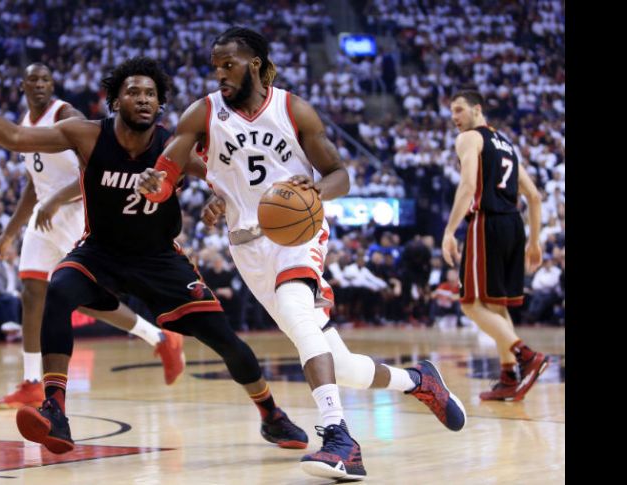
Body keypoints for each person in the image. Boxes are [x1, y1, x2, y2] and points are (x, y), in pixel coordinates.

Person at [138, 27, 465, 480]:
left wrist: (318, 188)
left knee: (296, 309)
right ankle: (418, 380)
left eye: (227, 64)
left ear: (253, 62)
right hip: (247, 246)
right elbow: (169, 165)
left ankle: (340, 440)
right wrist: (158, 183)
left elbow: (340, 175)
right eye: (215, 66)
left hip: (299, 230)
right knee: (339, 362)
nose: (220, 74)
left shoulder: (292, 109)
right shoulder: (204, 112)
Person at [0, 56, 307, 454]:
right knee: (57, 287)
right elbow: (16, 138)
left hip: (159, 260)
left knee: (226, 341)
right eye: (133, 92)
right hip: (100, 252)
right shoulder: (87, 135)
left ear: (160, 104)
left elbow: (222, 181)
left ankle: (271, 414)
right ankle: (54, 407)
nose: (143, 99)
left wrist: (217, 200)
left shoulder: (171, 146)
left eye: (150, 94)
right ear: (115, 101)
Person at [0, 63, 186, 410]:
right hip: (44, 214)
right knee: (32, 291)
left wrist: (56, 199)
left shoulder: (67, 114)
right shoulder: (24, 121)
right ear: (22, 85)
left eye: (45, 79)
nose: (39, 84)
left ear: (53, 84)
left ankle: (158, 337)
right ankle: (33, 382)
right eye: (32, 79)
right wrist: (9, 232)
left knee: (83, 296)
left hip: (79, 209)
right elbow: (34, 188)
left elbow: (96, 169)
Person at [442, 88, 548, 401]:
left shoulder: (470, 138)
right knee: (496, 305)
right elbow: (535, 196)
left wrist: (449, 231)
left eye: (459, 110)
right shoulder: (507, 145)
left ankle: (526, 356)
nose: (455, 118)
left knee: (471, 304)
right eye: (452, 113)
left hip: (487, 222)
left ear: (477, 109)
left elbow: (469, 184)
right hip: (514, 224)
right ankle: (508, 375)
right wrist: (535, 241)